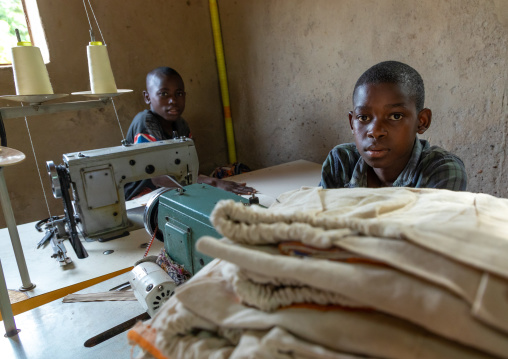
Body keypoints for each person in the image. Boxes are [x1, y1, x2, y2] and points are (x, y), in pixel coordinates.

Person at [320, 61, 467, 190]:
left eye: (395, 116)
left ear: (422, 121)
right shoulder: (341, 162)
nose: (375, 131)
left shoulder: (442, 171)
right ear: (352, 123)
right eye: (363, 117)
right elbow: (317, 218)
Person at [124, 67, 255, 200]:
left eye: (179, 93)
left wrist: (209, 182)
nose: (173, 100)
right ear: (147, 97)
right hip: (141, 198)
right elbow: (158, 177)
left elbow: (190, 169)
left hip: (173, 192)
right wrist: (213, 183)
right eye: (164, 94)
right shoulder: (145, 123)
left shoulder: (181, 125)